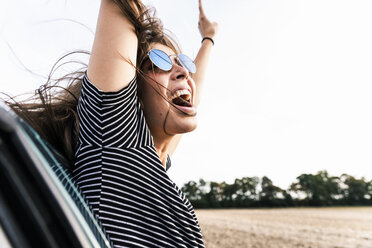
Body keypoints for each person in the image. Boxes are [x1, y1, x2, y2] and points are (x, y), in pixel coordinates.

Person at [6, 0, 217, 247]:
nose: (183, 72)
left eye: (183, 63)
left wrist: (209, 37)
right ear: (130, 93)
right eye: (159, 63)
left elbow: (192, 92)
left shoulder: (153, 162)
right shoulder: (116, 139)